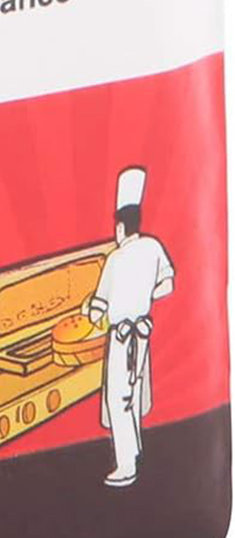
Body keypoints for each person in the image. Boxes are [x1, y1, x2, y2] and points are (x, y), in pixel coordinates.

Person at [85, 167, 175, 488]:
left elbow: (98, 307)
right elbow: (168, 284)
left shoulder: (115, 259)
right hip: (142, 333)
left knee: (118, 399)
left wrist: (88, 311)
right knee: (134, 394)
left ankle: (126, 466)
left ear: (121, 227)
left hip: (122, 337)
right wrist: (145, 296)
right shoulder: (153, 248)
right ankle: (135, 452)